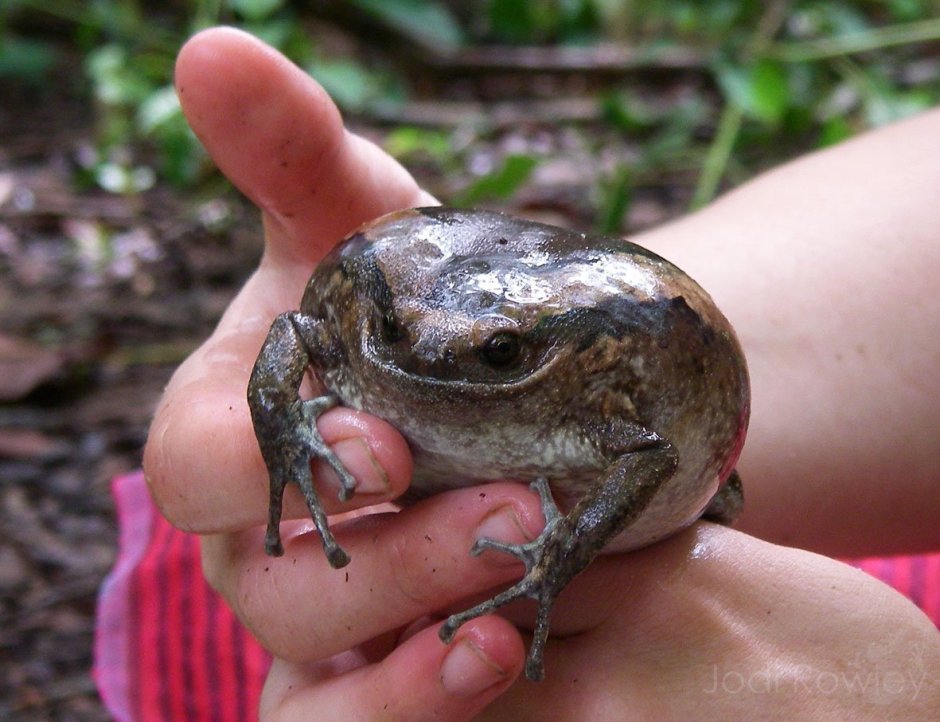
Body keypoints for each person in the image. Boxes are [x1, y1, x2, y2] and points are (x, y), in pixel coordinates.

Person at [142, 26, 940, 720]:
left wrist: (565, 549)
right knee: (244, 575)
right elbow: (296, 330)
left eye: (497, 352)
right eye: (399, 333)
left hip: (703, 548)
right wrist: (281, 430)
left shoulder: (583, 380)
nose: (429, 358)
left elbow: (650, 453)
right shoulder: (377, 321)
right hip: (422, 540)